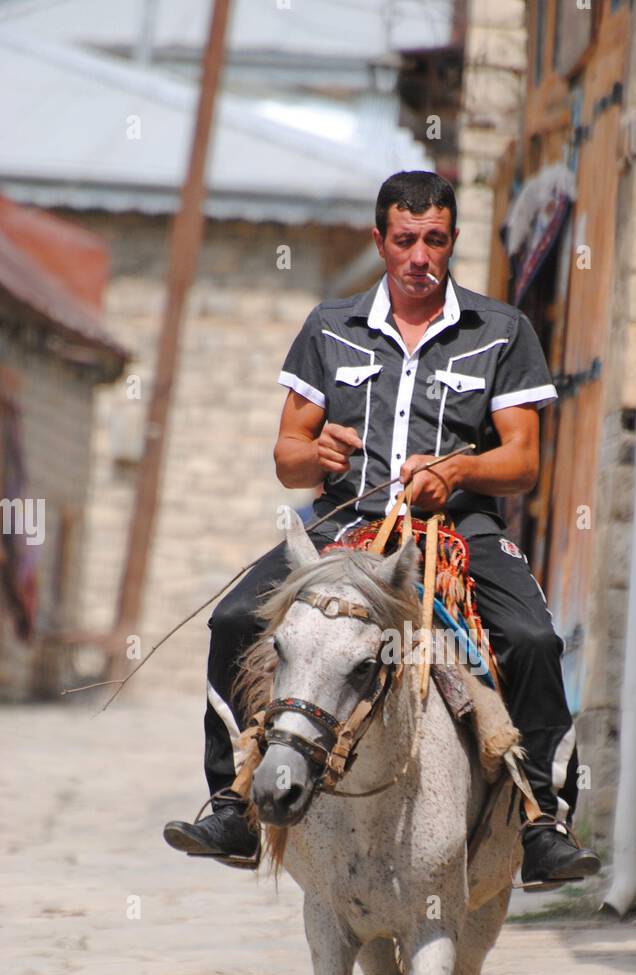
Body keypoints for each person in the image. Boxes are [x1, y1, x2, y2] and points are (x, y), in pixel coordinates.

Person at [164, 170, 600, 889]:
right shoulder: (329, 328)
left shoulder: (500, 331)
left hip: (458, 530)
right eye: (404, 240)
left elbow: (522, 462)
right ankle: (232, 807)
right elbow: (287, 456)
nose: (419, 256)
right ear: (381, 241)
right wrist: (317, 454)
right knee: (236, 617)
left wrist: (457, 471)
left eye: (434, 239)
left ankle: (544, 821)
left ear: (452, 240)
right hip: (344, 526)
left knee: (531, 638)